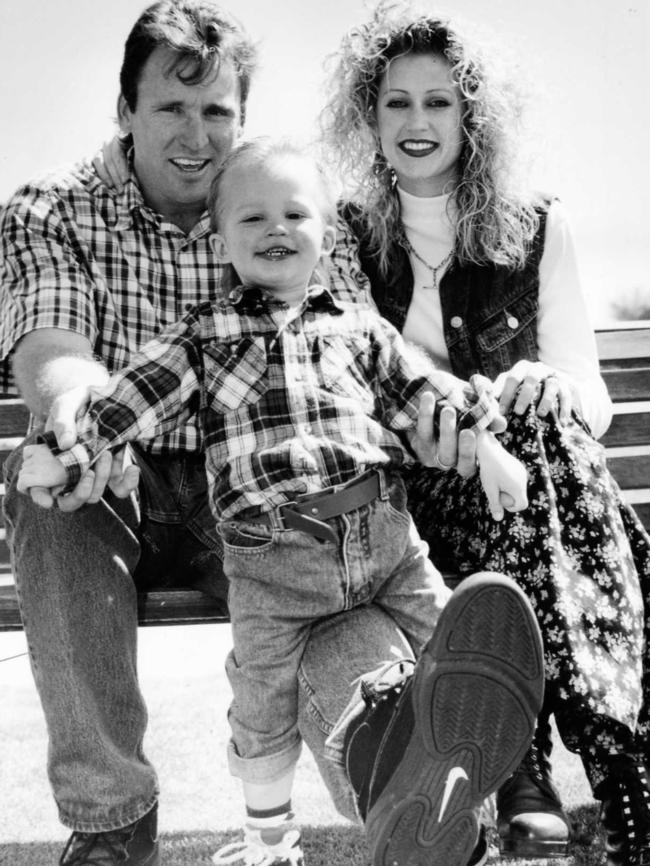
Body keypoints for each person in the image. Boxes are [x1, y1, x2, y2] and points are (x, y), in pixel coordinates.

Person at [0, 3, 542, 866]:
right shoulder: (53, 209)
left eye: (217, 111)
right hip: (126, 482)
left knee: (340, 602)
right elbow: (60, 350)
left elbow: (375, 366)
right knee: (51, 505)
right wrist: (74, 416)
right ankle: (111, 827)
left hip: (278, 506)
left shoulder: (285, 205)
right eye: (172, 108)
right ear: (125, 110)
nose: (196, 133)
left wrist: (449, 432)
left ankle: (407, 789)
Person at [317, 2, 650, 863]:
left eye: (440, 102)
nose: (418, 123)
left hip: (529, 483)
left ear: (473, 115)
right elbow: (353, 385)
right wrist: (464, 434)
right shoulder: (344, 236)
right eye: (397, 103)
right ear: (370, 117)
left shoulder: (537, 224)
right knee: (538, 461)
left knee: (549, 430)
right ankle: (609, 769)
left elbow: (592, 395)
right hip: (416, 491)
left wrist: (548, 388)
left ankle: (535, 770)